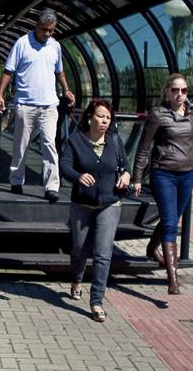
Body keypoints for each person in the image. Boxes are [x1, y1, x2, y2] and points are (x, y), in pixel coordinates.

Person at [60, 99, 131, 322]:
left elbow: (125, 166)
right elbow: (64, 165)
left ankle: (97, 301)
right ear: (90, 116)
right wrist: (78, 176)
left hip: (110, 204)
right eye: (100, 116)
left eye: (108, 118)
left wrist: (127, 175)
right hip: (82, 204)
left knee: (102, 254)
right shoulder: (76, 140)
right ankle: (76, 280)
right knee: (80, 249)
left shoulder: (114, 140)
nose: (104, 121)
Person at [0, 8, 75, 203]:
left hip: (49, 105)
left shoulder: (55, 46)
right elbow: (8, 71)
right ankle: (16, 180)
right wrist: (0, 95)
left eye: (51, 30)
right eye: (44, 30)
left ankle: (51, 187)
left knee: (50, 145)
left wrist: (66, 89)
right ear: (36, 26)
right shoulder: (22, 44)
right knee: (21, 145)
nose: (47, 34)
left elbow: (60, 72)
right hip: (25, 104)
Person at [132, 73, 193, 295]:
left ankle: (152, 248)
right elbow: (143, 148)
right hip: (164, 174)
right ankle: (173, 280)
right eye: (175, 90)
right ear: (167, 92)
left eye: (184, 90)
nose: (179, 94)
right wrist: (137, 177)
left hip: (188, 173)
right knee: (170, 223)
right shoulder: (157, 115)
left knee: (172, 218)